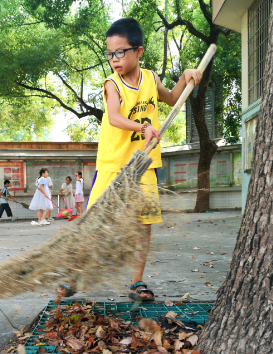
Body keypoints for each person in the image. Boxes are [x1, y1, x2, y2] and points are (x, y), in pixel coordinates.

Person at [57, 18, 202, 301]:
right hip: (113, 165)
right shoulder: (112, 84)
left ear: (139, 51)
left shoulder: (150, 79)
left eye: (120, 52)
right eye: (110, 54)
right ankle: (74, 277)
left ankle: (137, 282)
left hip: (145, 164)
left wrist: (186, 77)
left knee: (143, 224)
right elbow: (113, 117)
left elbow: (172, 99)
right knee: (93, 222)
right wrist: (143, 127)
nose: (114, 59)